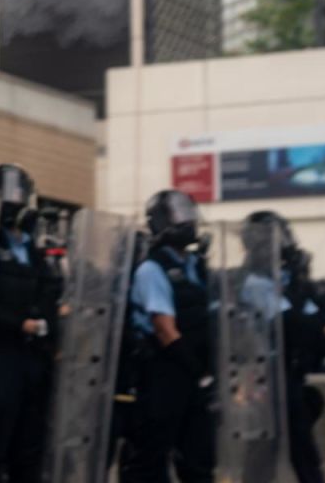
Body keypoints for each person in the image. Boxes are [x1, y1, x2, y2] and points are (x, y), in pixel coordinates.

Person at [120, 189, 213, 483]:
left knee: (198, 458)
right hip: (165, 372)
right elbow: (165, 330)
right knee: (152, 457)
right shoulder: (152, 269)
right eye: (177, 217)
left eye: (188, 214)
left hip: (196, 373)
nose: (186, 223)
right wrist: (198, 371)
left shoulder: (196, 267)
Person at [0, 163, 62, 483]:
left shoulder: (30, 246)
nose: (14, 200)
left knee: (30, 445)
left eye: (18, 192)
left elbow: (51, 291)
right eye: (7, 192)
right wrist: (19, 325)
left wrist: (47, 325)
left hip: (33, 359)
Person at [237, 211, 325, 483]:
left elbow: (315, 321)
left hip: (289, 373)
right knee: (272, 452)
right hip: (265, 376)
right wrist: (307, 312)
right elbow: (290, 322)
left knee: (296, 451)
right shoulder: (255, 283)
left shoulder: (281, 282)